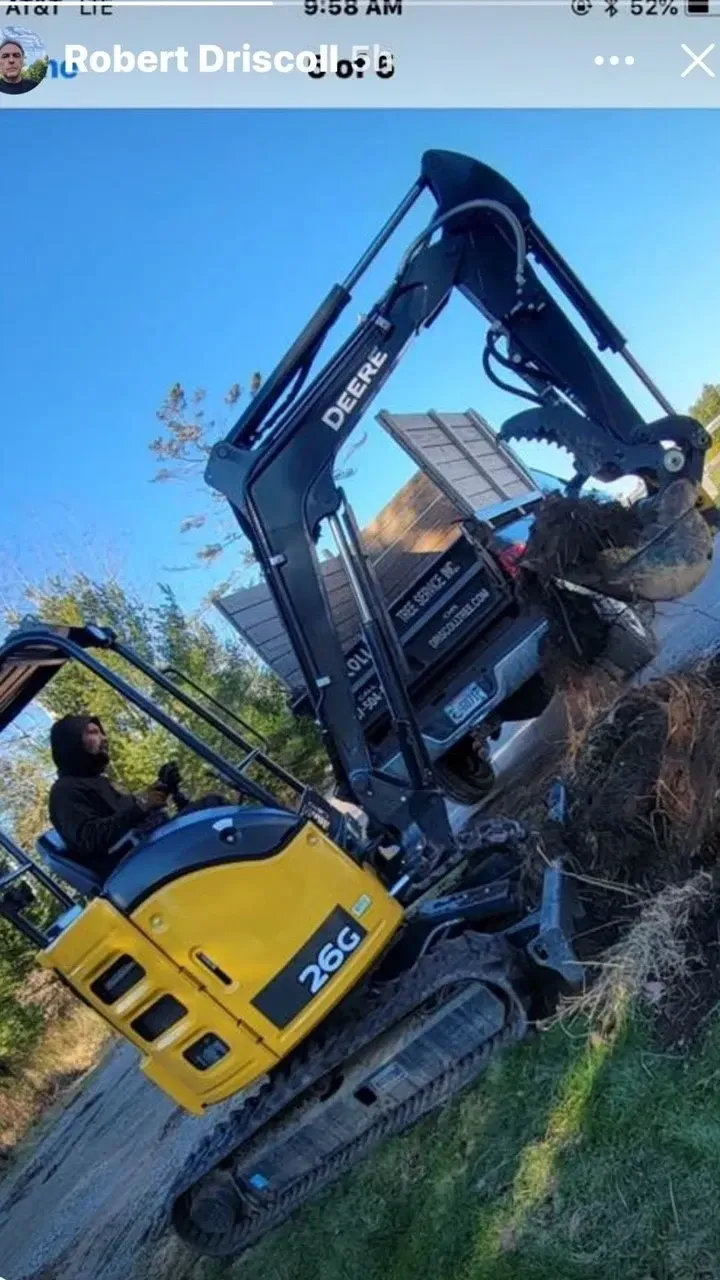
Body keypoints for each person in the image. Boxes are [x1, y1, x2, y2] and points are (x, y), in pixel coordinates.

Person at [48, 714, 229, 880]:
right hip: (138, 864)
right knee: (213, 805)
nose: (104, 739)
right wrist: (142, 807)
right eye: (93, 733)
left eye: (101, 733)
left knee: (209, 811)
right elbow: (89, 839)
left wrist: (163, 786)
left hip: (151, 848)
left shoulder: (96, 781)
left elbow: (128, 810)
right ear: (71, 742)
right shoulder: (64, 792)